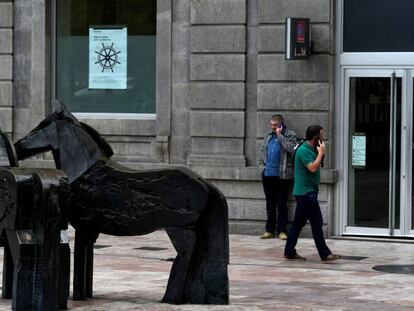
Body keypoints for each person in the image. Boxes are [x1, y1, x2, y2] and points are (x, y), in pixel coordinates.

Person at [284, 125, 341, 261]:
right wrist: (321, 153)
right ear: (315, 138)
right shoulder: (303, 150)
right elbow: (313, 168)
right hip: (305, 193)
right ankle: (325, 254)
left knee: (298, 223)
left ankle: (289, 251)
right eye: (321, 136)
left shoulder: (311, 148)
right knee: (317, 221)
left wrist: (320, 153)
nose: (323, 138)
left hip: (308, 191)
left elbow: (318, 164)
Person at [258, 114, 297, 240]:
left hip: (283, 175)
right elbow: (262, 152)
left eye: (275, 125)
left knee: (282, 203)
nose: (272, 127)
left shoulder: (290, 135)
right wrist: (262, 168)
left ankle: (281, 231)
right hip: (268, 175)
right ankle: (269, 230)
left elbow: (291, 149)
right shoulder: (268, 136)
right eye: (271, 125)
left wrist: (280, 135)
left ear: (281, 124)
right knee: (270, 204)